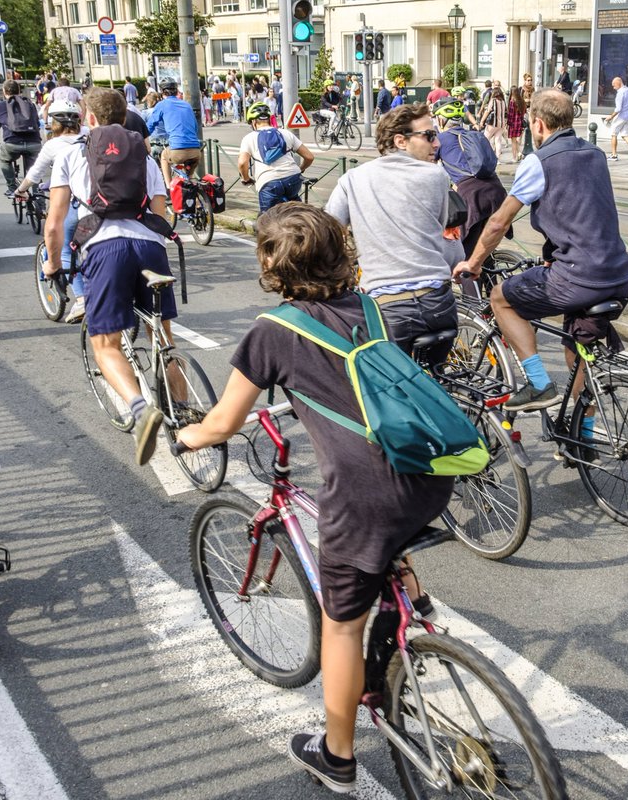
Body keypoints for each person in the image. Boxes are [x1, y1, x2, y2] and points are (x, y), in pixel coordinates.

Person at [174, 203, 452, 794]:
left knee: (341, 626)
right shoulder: (370, 307)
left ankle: (337, 755)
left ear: (273, 263)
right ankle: (415, 609)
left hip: (364, 494)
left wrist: (188, 433)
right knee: (384, 544)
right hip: (427, 471)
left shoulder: (275, 330)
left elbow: (223, 422)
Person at [452, 90, 628, 414]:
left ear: (537, 124)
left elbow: (497, 223)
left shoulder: (539, 161)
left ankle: (537, 384)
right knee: (577, 354)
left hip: (577, 277)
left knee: (499, 298)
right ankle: (585, 443)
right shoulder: (595, 154)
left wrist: (474, 262)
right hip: (617, 274)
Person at [44, 87, 174, 465]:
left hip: (105, 248)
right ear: (125, 118)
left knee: (105, 344)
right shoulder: (144, 159)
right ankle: (183, 409)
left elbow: (55, 223)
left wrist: (53, 264)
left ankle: (139, 408)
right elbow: (162, 215)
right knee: (164, 337)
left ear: (89, 118)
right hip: (151, 247)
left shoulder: (70, 153)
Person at [325, 103, 463, 361]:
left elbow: (330, 230)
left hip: (389, 309)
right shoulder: (437, 176)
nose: (437, 144)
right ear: (400, 141)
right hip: (440, 305)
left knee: (379, 385)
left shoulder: (352, 179)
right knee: (431, 379)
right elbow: (437, 224)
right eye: (430, 136)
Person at [14, 99, 91, 323]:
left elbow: (34, 175)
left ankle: (81, 299)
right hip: (96, 201)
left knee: (64, 248)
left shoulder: (52, 145)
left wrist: (20, 190)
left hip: (74, 203)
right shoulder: (88, 135)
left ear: (52, 121)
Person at [433, 97, 505, 258]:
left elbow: (428, 168)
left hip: (473, 195)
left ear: (440, 119)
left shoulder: (440, 140)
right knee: (482, 251)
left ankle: (468, 277)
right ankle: (489, 277)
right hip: (497, 191)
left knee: (464, 255)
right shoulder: (473, 135)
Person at [238, 101, 314, 213]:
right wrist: (301, 168)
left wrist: (246, 178)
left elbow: (242, 163)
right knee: (298, 214)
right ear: (269, 119)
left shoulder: (249, 138)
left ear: (254, 122)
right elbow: (309, 157)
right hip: (293, 179)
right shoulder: (286, 133)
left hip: (269, 183)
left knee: (267, 221)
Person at [0, 80, 43, 197]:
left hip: (12, 144)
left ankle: (12, 187)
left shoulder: (0, 106)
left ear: (4, 91)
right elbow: (37, 124)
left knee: (5, 160)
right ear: (19, 91)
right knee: (34, 170)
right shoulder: (30, 104)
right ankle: (40, 202)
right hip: (34, 143)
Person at [145, 80, 203, 191]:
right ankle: (196, 202)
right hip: (196, 151)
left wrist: (143, 138)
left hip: (178, 149)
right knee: (188, 181)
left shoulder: (162, 105)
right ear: (176, 91)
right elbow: (195, 127)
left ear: (162, 92)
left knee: (164, 157)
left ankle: (169, 188)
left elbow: (150, 126)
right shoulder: (186, 105)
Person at [604, 76, 628, 162]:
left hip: (622, 116)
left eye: (613, 85)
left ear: (618, 83)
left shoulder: (620, 93)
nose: (613, 87)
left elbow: (618, 108)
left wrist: (610, 117)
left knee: (613, 134)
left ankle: (614, 155)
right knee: (624, 135)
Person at [480, 86, 507, 156]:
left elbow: (487, 111)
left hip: (492, 124)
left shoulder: (493, 100)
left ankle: (484, 155)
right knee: (498, 141)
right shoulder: (503, 101)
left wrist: (482, 121)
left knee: (485, 139)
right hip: (501, 125)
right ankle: (498, 158)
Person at [505, 86, 526, 163]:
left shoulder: (512, 101)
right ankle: (519, 153)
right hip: (519, 122)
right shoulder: (521, 101)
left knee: (513, 141)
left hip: (513, 123)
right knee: (516, 140)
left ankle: (514, 157)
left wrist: (508, 124)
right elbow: (524, 112)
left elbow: (510, 114)